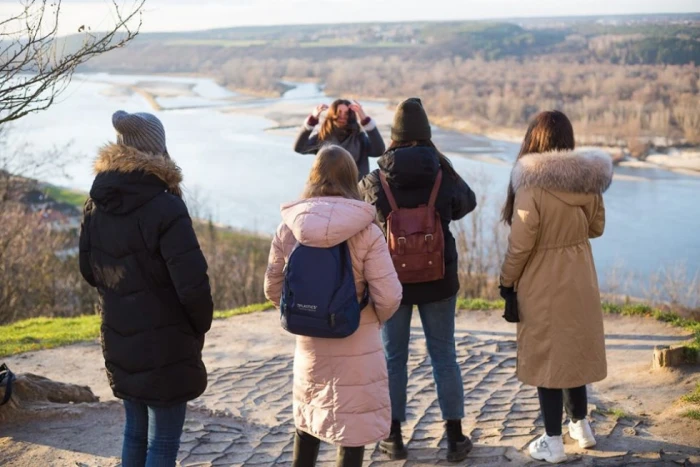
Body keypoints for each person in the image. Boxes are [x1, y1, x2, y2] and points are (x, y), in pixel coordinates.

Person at [79, 111, 214, 467]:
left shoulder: (96, 203)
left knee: (134, 432)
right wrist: (199, 325)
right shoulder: (166, 206)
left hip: (120, 336)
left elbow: (89, 270)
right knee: (164, 442)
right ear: (157, 150)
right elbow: (192, 284)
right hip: (166, 343)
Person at [264, 145, 402, 467]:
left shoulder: (289, 227)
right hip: (357, 338)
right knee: (352, 429)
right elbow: (390, 295)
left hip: (310, 344)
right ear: (351, 178)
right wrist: (371, 319)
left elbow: (273, 288)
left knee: (309, 420)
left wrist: (302, 314)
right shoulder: (367, 231)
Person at [359, 98, 477, 463]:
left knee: (393, 357)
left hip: (391, 280)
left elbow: (365, 213)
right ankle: (455, 438)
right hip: (439, 277)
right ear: (426, 134)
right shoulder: (442, 171)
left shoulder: (377, 177)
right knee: (444, 355)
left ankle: (393, 437)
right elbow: (467, 203)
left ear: (393, 137)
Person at [499, 110, 611, 464]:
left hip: (542, 279)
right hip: (580, 277)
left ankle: (552, 441)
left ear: (535, 139)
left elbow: (521, 245)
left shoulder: (530, 185)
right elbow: (597, 228)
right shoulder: (587, 181)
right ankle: (581, 427)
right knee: (573, 350)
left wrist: (506, 281)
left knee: (547, 358)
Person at [293, 99, 385, 177]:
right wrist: (312, 120)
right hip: (325, 192)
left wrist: (365, 120)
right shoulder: (322, 136)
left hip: (354, 192)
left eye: (346, 113)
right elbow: (299, 148)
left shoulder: (359, 138)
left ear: (351, 116)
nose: (342, 116)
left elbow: (379, 150)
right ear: (332, 114)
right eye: (339, 112)